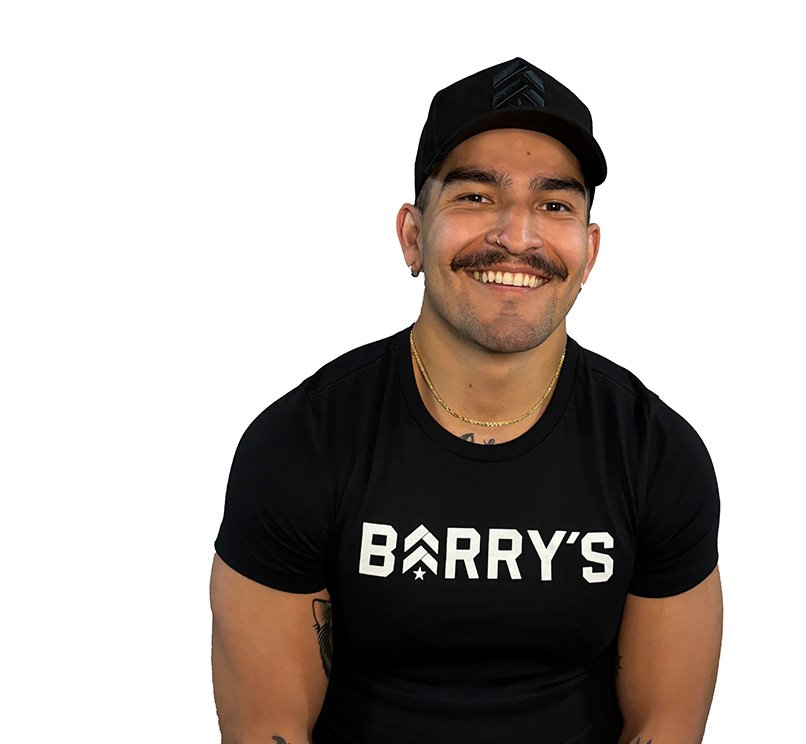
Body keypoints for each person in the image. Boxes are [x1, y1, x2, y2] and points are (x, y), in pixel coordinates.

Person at [210, 57, 722, 744]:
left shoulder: (656, 453)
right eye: (476, 197)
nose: (517, 234)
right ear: (413, 235)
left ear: (590, 251)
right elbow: (268, 731)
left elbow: (664, 726)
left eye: (555, 204)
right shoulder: (301, 444)